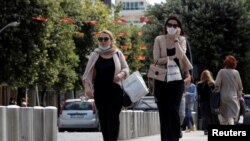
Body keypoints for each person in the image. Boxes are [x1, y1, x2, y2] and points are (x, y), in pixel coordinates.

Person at [82, 29, 129, 141]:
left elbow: (126, 68)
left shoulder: (117, 53)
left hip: (115, 91)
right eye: (100, 39)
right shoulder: (95, 54)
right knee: (103, 119)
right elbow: (86, 74)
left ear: (111, 40)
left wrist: (121, 75)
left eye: (105, 39)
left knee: (112, 118)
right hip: (100, 92)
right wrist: (87, 87)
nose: (103, 41)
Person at [153, 14, 193, 141]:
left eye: (175, 25)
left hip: (177, 80)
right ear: (165, 27)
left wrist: (176, 39)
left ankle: (174, 138)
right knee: (164, 112)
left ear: (179, 28)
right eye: (169, 25)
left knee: (174, 110)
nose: (171, 27)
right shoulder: (159, 39)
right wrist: (171, 58)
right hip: (161, 79)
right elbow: (157, 60)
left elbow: (181, 56)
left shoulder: (181, 40)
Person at [214, 55, 243, 125]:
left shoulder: (221, 72)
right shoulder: (236, 72)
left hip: (223, 97)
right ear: (234, 63)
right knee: (231, 116)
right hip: (233, 97)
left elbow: (217, 84)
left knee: (224, 116)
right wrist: (240, 97)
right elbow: (240, 87)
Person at [197, 69, 219, 135]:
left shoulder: (199, 84)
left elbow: (199, 93)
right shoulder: (212, 83)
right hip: (211, 102)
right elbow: (216, 93)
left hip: (203, 102)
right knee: (212, 116)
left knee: (205, 116)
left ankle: (206, 129)